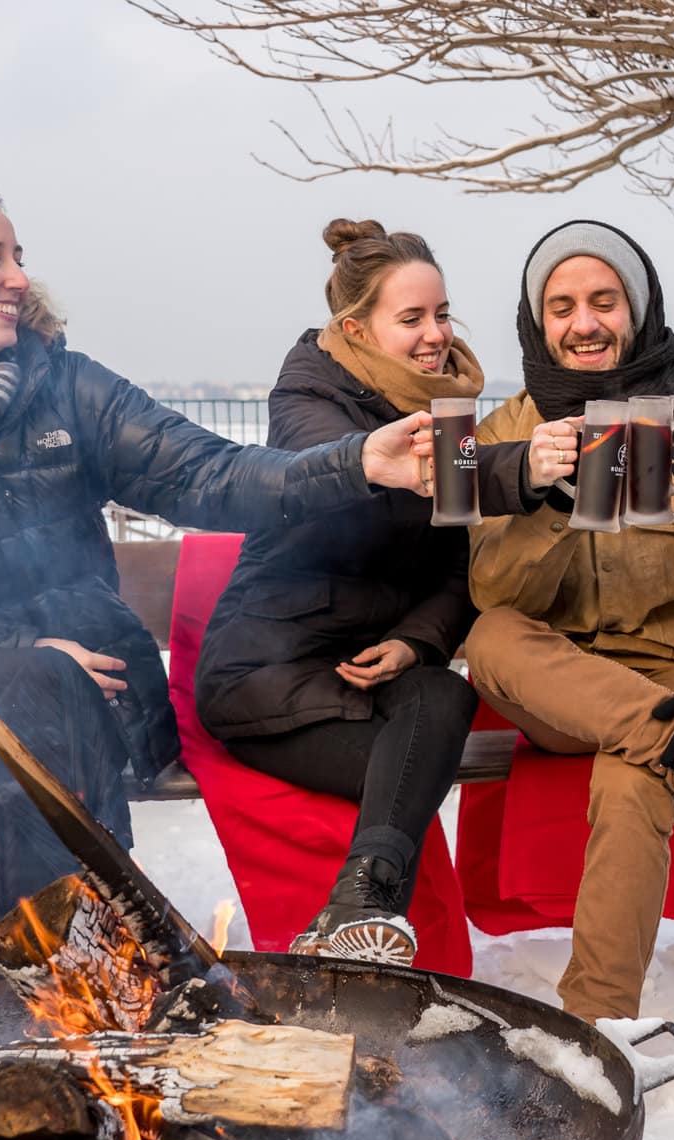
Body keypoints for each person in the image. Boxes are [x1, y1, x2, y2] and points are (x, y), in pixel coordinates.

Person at [0, 181, 433, 954]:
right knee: (31, 689)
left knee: (42, 697)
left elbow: (209, 475)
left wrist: (356, 460)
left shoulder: (71, 390)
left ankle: (37, 968)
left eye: (18, 257)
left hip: (109, 693)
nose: (19, 277)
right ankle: (96, 942)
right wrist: (10, 653)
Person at [456, 219, 674, 1022]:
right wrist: (539, 499)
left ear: (638, 308)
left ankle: (594, 1027)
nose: (583, 323)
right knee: (490, 638)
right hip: (558, 690)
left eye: (603, 301)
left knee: (634, 777)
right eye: (561, 306)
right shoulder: (502, 435)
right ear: (535, 320)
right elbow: (490, 596)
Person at [194, 218, 485, 966]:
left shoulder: (445, 409)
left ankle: (362, 908)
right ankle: (363, 925)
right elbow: (379, 494)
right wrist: (512, 467)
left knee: (442, 700)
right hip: (268, 678)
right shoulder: (306, 397)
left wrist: (414, 640)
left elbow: (458, 564)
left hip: (367, 672)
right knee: (414, 767)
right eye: (412, 318)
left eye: (442, 314)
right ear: (355, 329)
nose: (435, 335)